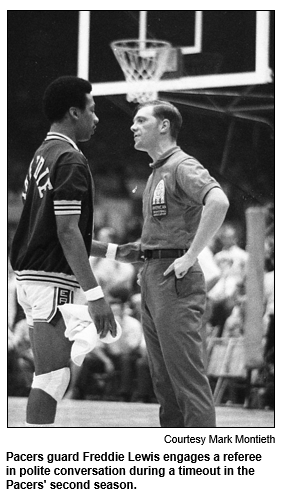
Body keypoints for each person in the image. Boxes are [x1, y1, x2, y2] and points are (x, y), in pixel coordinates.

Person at [92, 100, 229, 427]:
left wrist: (191, 255)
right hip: (154, 278)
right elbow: (142, 248)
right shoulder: (157, 173)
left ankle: (203, 465)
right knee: (165, 385)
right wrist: (90, 246)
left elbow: (219, 201)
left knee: (186, 381)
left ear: (164, 126)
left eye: (141, 120)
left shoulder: (181, 165)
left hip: (175, 281)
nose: (132, 126)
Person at [10, 76, 117, 427]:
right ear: (74, 112)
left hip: (30, 278)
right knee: (53, 378)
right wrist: (96, 295)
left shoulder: (42, 155)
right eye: (92, 109)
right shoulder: (70, 159)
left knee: (49, 376)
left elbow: (55, 231)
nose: (96, 118)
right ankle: (36, 462)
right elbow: (67, 231)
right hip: (51, 279)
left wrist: (115, 252)